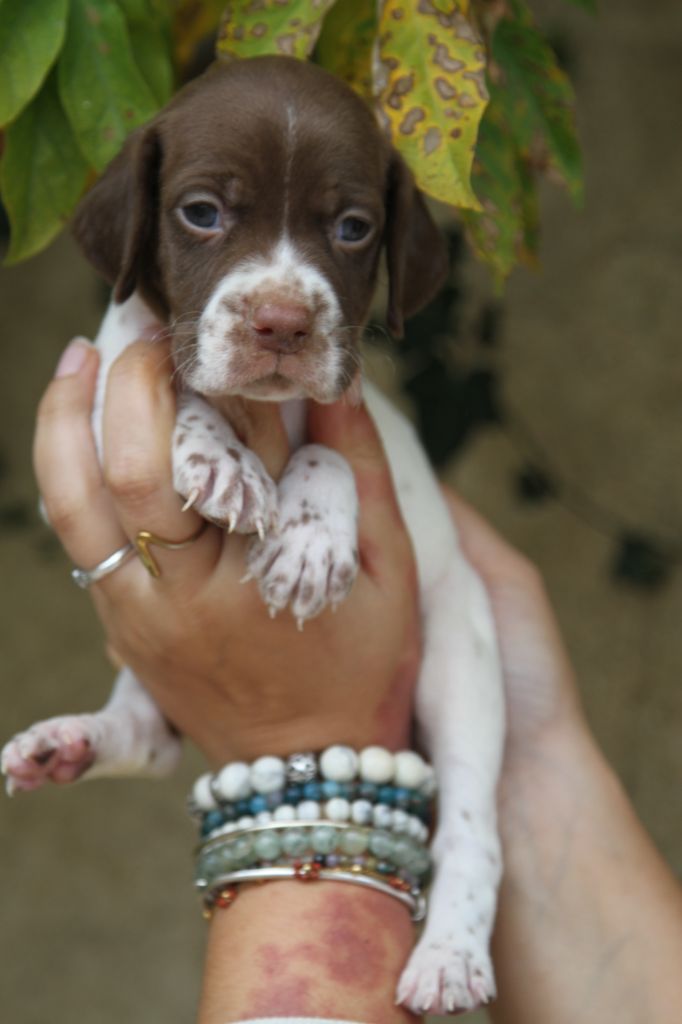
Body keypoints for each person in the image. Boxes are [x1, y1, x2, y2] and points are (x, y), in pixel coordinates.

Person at [33, 335, 682, 1024]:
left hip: (433, 667)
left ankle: (143, 727)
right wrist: (538, 760)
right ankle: (134, 722)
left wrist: (292, 747)